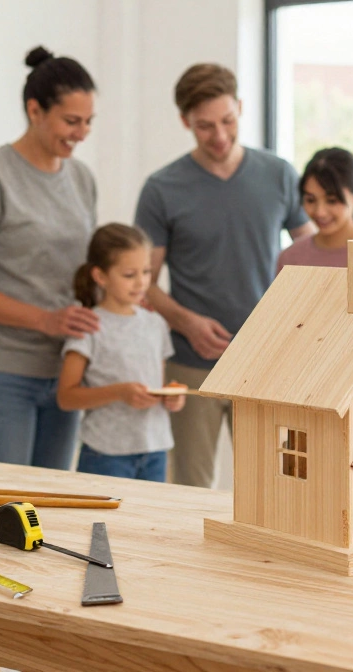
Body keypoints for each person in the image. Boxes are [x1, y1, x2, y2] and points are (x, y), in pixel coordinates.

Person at [134, 63, 313, 487]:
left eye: (228, 121)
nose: (219, 135)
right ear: (185, 122)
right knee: (191, 486)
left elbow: (314, 258)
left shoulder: (279, 175)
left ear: (241, 108)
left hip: (266, 359)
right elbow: (143, 283)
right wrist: (186, 323)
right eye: (205, 126)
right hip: (190, 363)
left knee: (273, 485)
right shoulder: (161, 188)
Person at [0, 45, 100, 470]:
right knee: (6, 501)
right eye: (71, 121)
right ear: (34, 110)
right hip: (1, 376)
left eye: (88, 121)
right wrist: (45, 320)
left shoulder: (81, 178)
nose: (82, 133)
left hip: (63, 373)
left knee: (52, 501)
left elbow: (84, 269)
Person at [55, 223, 185, 482]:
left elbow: (157, 383)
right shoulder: (89, 326)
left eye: (146, 271)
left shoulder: (156, 324)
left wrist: (171, 397)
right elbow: (66, 397)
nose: (141, 282)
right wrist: (119, 392)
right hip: (106, 455)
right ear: (101, 276)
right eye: (129, 275)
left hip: (155, 449)